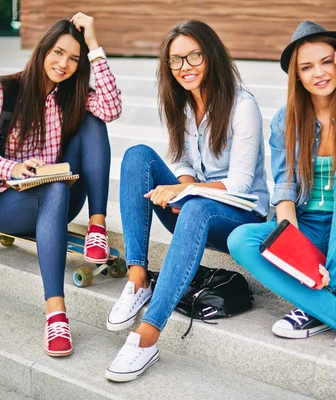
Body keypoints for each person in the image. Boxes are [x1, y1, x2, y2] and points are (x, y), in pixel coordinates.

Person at [104, 20, 269, 382]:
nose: (185, 67)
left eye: (194, 56)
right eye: (175, 60)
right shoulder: (180, 106)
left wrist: (185, 192)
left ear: (211, 56)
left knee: (195, 205)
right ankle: (137, 278)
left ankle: (147, 336)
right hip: (195, 210)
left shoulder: (242, 107)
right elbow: (180, 162)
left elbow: (241, 185)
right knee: (137, 156)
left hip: (240, 219)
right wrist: (185, 184)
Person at [227, 21, 336, 352]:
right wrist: (297, 257)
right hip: (309, 226)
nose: (318, 73)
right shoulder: (286, 120)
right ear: (296, 76)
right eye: (306, 67)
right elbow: (285, 191)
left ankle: (330, 287)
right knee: (240, 239)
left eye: (326, 62)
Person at [0, 13, 122, 357]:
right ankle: (56, 314)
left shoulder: (69, 95)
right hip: (7, 205)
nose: (64, 64)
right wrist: (13, 168)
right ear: (43, 49)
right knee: (54, 187)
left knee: (95, 124)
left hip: (59, 193)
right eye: (58, 53)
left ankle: (97, 225)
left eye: (74, 59)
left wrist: (94, 46)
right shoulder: (2, 92)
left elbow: (111, 107)